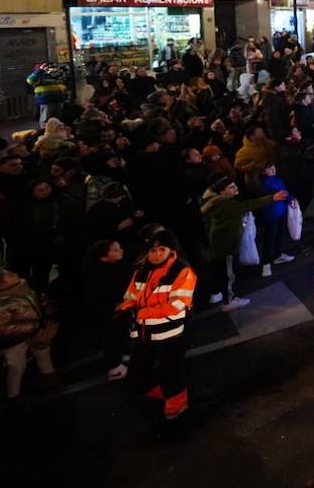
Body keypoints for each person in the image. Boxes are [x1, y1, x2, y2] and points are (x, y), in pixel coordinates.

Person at [117, 230, 197, 421]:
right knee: (136, 376)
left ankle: (177, 410)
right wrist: (127, 309)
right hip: (145, 334)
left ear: (171, 250)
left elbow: (177, 304)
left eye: (162, 249)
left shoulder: (182, 271)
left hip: (172, 335)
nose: (157, 254)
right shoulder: (141, 272)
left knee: (170, 373)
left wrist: (140, 313)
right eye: (153, 250)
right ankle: (163, 398)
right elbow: (130, 297)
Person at [199, 174, 289, 311]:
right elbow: (249, 205)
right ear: (221, 191)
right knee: (228, 273)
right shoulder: (225, 204)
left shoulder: (212, 202)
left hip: (217, 243)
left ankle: (215, 294)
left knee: (218, 270)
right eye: (231, 187)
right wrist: (272, 198)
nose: (235, 188)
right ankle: (229, 301)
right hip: (226, 245)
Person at [0, 268, 59, 400]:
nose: (16, 274)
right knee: (17, 366)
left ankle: (48, 376)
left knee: (42, 353)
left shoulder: (23, 289)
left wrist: (45, 307)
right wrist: (32, 326)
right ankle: (14, 395)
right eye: (10, 275)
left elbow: (36, 305)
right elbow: (0, 328)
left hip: (34, 332)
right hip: (13, 341)